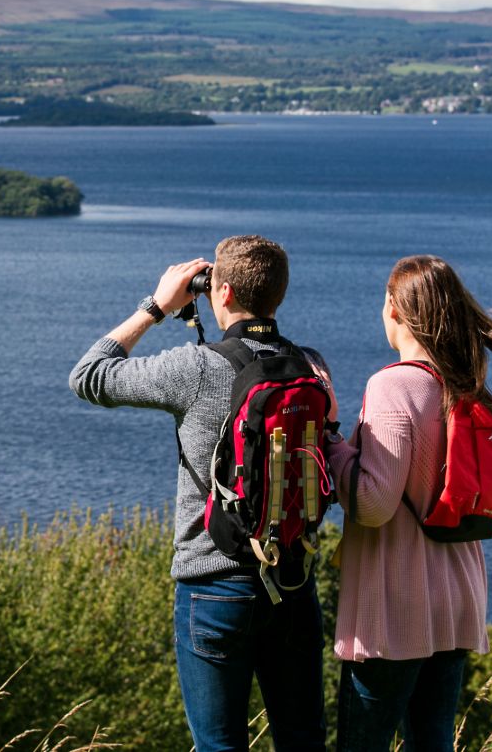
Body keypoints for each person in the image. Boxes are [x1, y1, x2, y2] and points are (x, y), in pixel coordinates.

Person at [69, 235, 327, 751]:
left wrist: (158, 306)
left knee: (218, 746)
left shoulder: (197, 367)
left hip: (213, 586)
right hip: (292, 581)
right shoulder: (311, 366)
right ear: (279, 294)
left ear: (221, 291)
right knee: (303, 743)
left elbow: (89, 375)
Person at [324, 255, 492, 752]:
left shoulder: (394, 384)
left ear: (395, 309)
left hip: (395, 607)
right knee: (433, 740)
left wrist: (332, 443)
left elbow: (373, 503)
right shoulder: (466, 386)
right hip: (457, 598)